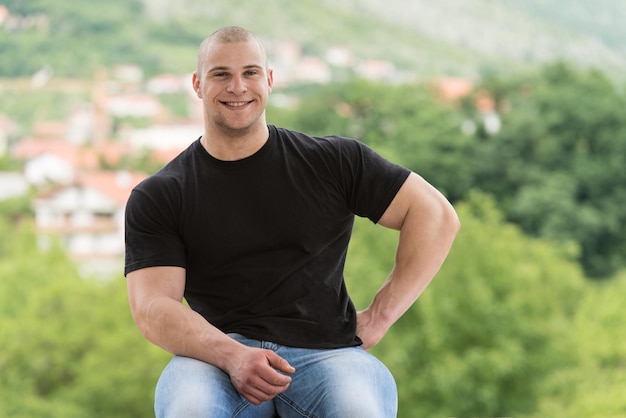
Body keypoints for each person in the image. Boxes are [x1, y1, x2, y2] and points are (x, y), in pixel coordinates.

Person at [124, 26, 460, 418]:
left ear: (269, 80)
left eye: (250, 72)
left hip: (328, 354)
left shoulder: (334, 162)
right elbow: (153, 305)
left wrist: (380, 316)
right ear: (198, 85)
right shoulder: (161, 193)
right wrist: (232, 355)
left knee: (358, 410)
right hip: (213, 357)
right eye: (221, 74)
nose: (237, 86)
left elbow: (434, 215)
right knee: (190, 410)